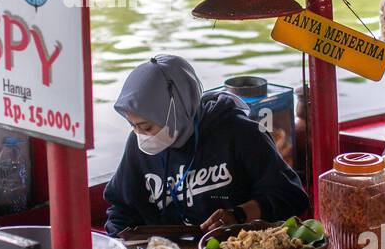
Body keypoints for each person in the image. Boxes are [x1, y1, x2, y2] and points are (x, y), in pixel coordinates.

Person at [103, 55, 308, 236]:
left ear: (176, 111)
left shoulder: (239, 133)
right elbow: (121, 210)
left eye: (146, 127)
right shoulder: (137, 146)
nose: (141, 135)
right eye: (133, 126)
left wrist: (239, 215)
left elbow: (290, 196)